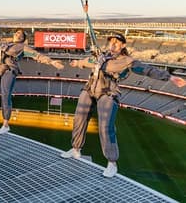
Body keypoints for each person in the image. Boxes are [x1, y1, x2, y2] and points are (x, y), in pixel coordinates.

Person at [61, 32, 186, 178]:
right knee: (79, 119)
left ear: (123, 45)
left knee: (105, 127)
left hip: (107, 92)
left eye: (117, 43)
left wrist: (169, 77)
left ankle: (112, 163)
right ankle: (76, 149)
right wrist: (77, 63)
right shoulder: (101, 56)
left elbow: (147, 69)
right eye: (111, 42)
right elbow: (87, 61)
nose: (113, 45)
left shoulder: (127, 61)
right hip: (89, 89)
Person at [0, 29, 64, 134]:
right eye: (17, 33)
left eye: (21, 35)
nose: (18, 35)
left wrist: (51, 61)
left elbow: (37, 55)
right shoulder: (6, 44)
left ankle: (5, 125)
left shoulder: (23, 47)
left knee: (5, 95)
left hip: (9, 70)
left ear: (23, 39)